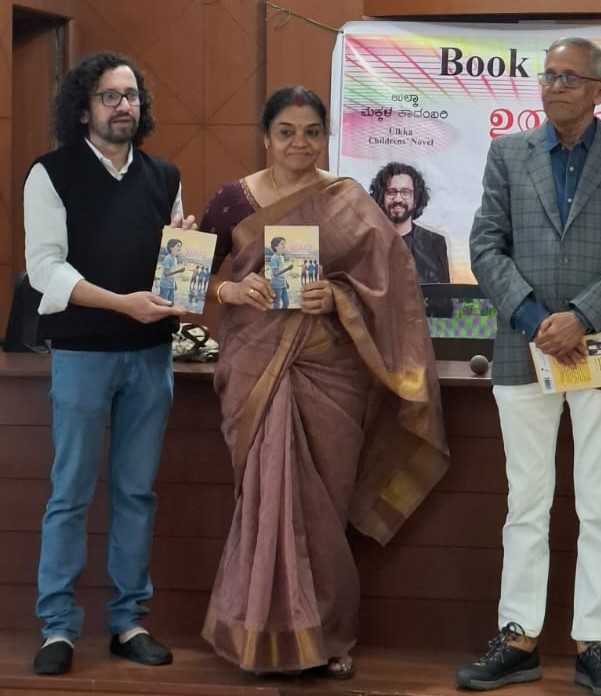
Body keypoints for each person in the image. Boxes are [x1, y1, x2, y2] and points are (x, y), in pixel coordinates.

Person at [198, 86, 449, 676]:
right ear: (266, 137)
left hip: (331, 374)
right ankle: (257, 634)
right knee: (264, 502)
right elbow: (185, 280)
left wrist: (336, 296)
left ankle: (329, 636)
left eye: (312, 132)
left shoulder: (347, 199)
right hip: (255, 368)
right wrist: (231, 288)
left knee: (323, 511)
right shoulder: (233, 201)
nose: (300, 144)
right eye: (286, 132)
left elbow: (393, 284)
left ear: (325, 136)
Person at [457, 37, 601, 696]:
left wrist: (581, 316)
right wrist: (531, 318)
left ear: (600, 90)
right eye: (548, 75)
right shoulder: (508, 153)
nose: (554, 86)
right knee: (526, 502)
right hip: (524, 348)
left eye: (569, 77)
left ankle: (594, 643)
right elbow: (486, 244)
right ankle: (517, 638)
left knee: (600, 506)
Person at [24, 51, 193, 676]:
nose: (124, 106)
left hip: (151, 357)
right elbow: (44, 269)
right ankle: (57, 628)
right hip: (81, 356)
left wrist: (185, 261)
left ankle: (128, 622)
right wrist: (121, 303)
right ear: (83, 108)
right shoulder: (50, 174)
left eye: (131, 95)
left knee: (136, 492)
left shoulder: (165, 176)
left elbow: (175, 274)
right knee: (69, 492)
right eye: (110, 96)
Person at [369, 161, 451, 284]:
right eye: (391, 192)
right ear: (381, 198)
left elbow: (442, 294)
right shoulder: (367, 243)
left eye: (405, 192)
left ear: (416, 199)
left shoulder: (434, 243)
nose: (398, 199)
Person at [267, 236, 292, 308]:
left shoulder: (281, 257)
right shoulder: (274, 258)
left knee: (286, 303)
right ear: (276, 247)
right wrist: (288, 268)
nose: (284, 246)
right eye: (282, 244)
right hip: (277, 286)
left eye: (284, 244)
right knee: (277, 304)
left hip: (283, 285)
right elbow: (275, 273)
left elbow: (282, 271)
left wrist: (286, 282)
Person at [158, 238, 184, 304]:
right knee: (163, 303)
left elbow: (172, 272)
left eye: (180, 247)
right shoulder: (168, 258)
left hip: (171, 285)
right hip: (165, 286)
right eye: (178, 246)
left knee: (171, 303)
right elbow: (166, 273)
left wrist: (174, 284)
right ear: (171, 248)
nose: (180, 248)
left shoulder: (175, 259)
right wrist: (179, 271)